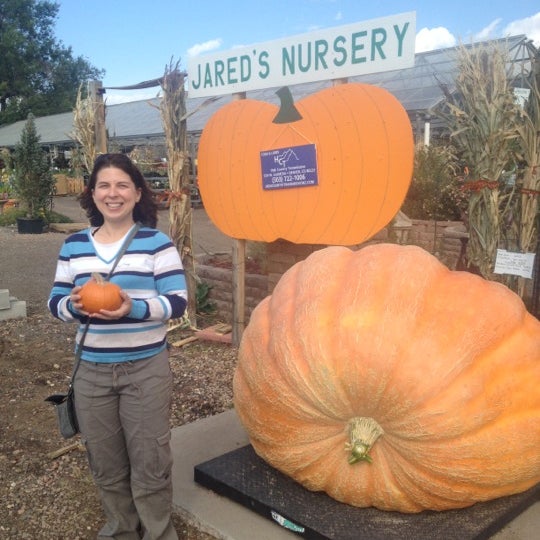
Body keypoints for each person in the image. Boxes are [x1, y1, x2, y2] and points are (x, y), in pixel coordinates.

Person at [48, 153, 187, 539]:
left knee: (150, 459)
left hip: (145, 369)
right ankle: (122, 529)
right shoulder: (74, 245)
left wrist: (134, 307)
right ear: (92, 193)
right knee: (106, 461)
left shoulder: (156, 243)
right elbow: (54, 301)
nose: (113, 193)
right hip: (91, 371)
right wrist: (73, 306)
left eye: (122, 185)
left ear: (137, 192)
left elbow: (177, 301)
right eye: (104, 185)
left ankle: (159, 532)